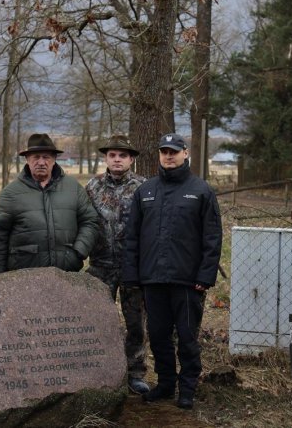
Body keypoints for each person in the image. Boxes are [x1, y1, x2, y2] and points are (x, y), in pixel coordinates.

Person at [123, 133, 222, 410]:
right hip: (153, 280)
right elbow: (132, 237)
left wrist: (205, 276)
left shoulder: (201, 191)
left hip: (188, 282)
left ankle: (187, 388)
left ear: (185, 153)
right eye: (164, 151)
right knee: (158, 336)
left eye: (174, 151)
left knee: (188, 339)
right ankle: (166, 384)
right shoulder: (146, 191)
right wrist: (132, 276)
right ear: (159, 155)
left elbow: (212, 238)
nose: (169, 156)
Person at [85, 134, 149, 395]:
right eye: (112, 155)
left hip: (132, 265)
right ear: (106, 159)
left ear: (131, 159)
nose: (117, 159)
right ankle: (99, 369)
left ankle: (135, 372)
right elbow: (84, 222)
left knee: (135, 321)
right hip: (101, 264)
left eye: (122, 155)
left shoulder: (144, 188)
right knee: (98, 319)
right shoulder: (93, 187)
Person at [0, 133, 98, 273]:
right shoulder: (11, 193)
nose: (41, 162)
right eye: (36, 157)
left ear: (54, 160)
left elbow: (90, 221)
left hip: (66, 275)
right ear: (27, 159)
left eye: (46, 157)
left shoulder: (73, 188)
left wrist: (78, 251)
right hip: (24, 278)